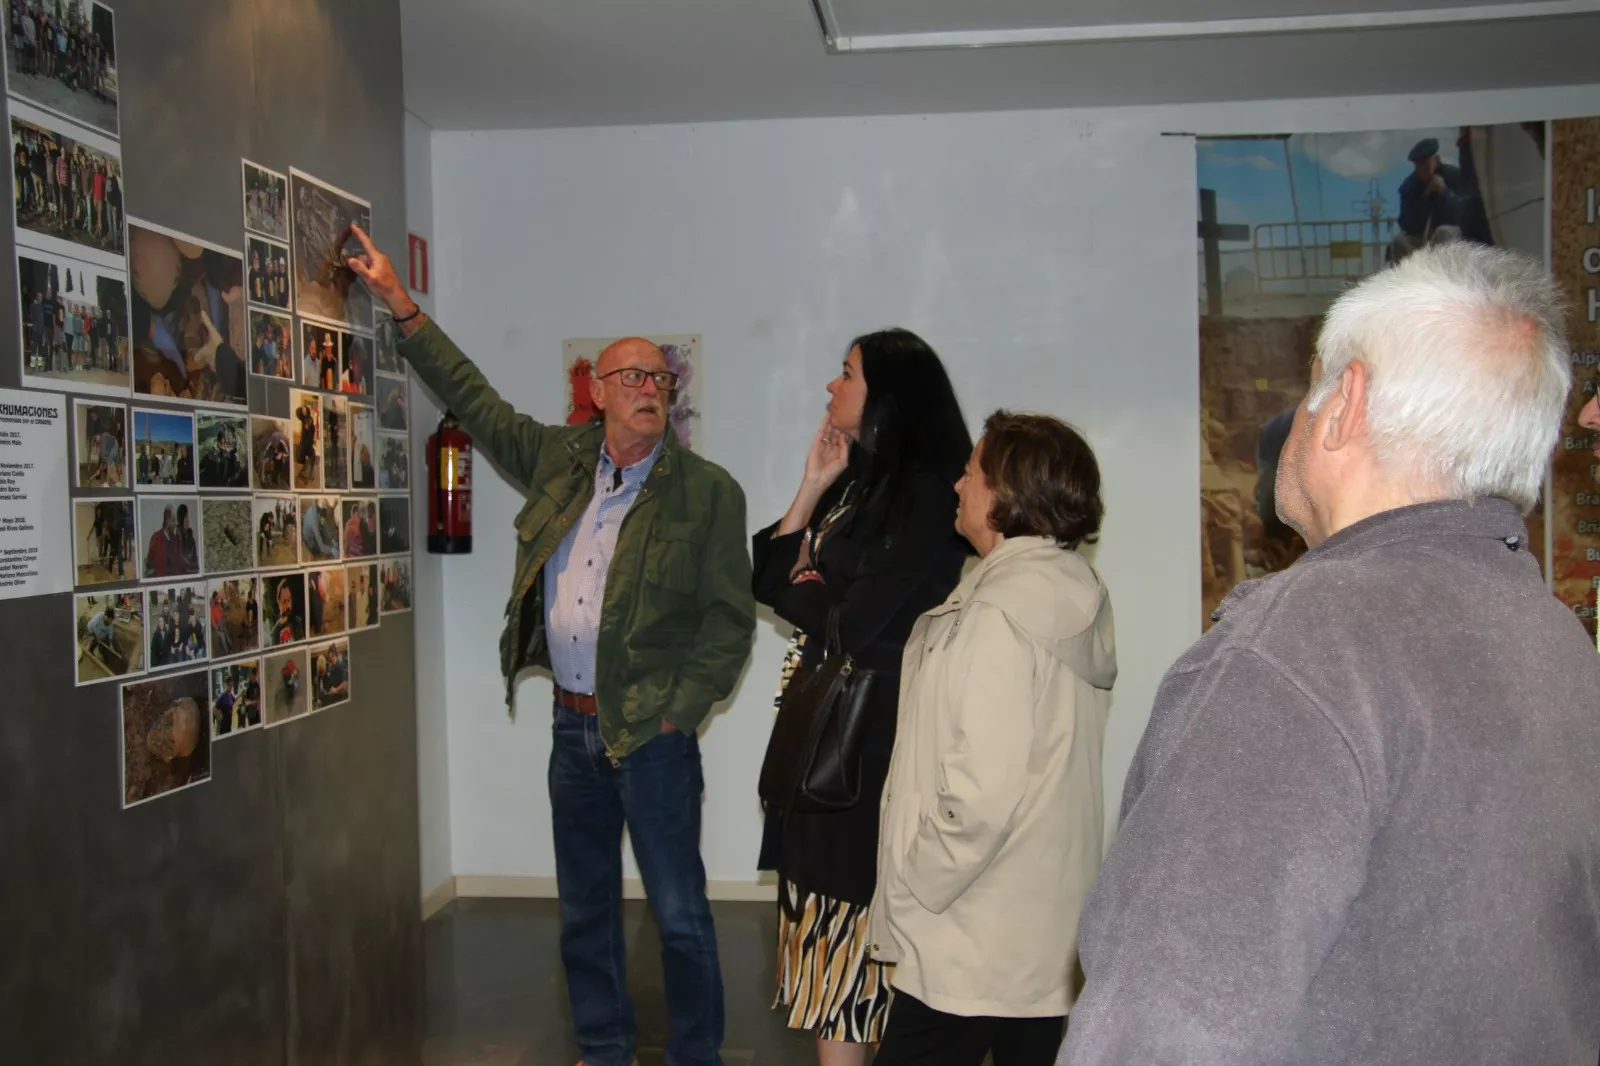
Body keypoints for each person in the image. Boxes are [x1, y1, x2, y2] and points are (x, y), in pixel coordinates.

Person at [1059, 244, 1600, 1065]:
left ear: (1344, 401)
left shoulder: (1298, 649)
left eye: (1311, 381)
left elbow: (1160, 1030)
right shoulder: (1553, 636)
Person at [348, 224, 756, 1066]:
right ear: (599, 391)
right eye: (632, 376)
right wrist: (401, 305)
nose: (650, 387)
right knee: (585, 910)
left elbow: (729, 622)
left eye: (660, 376)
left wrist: (680, 714)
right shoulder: (561, 460)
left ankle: (696, 1057)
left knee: (678, 913)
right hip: (572, 732)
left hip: (651, 735)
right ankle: (603, 1049)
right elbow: (479, 401)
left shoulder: (707, 494)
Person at [751, 329, 972, 1061]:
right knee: (827, 944)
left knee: (849, 943)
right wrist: (813, 484)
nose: (830, 387)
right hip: (828, 733)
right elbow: (772, 576)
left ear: (885, 396)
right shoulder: (860, 480)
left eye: (844, 374)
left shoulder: (921, 496)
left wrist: (807, 584)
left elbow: (854, 626)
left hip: (870, 750)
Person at [869, 412, 1116, 1066]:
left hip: (971, 926)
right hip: (1039, 925)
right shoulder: (1070, 589)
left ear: (1009, 495)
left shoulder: (998, 613)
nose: (957, 486)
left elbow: (981, 789)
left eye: (972, 473)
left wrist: (919, 879)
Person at [1389, 131, 1493, 265]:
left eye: (1426, 163)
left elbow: (1465, 212)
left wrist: (1445, 192)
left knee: (1443, 233)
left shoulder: (1454, 176)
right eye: (1419, 165)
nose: (1423, 169)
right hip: (1423, 235)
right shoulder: (1409, 187)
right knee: (1400, 241)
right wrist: (1425, 198)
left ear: (1436, 160)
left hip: (1452, 231)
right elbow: (1406, 223)